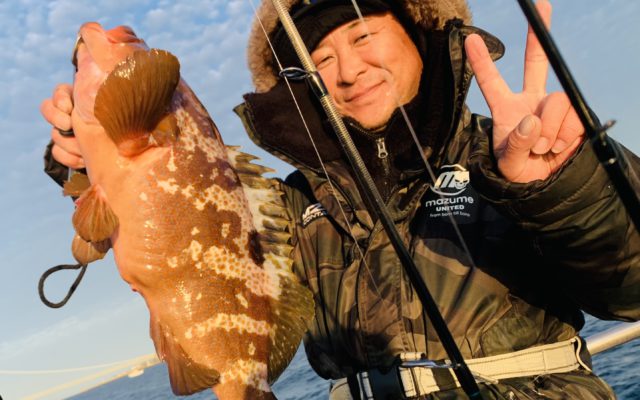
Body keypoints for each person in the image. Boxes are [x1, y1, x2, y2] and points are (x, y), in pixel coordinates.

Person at [41, 0, 640, 398]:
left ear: (418, 34)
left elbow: (631, 290)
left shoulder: (508, 152)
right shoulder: (292, 206)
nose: (349, 70)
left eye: (364, 35)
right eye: (321, 59)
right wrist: (81, 159)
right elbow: (185, 216)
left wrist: (561, 186)